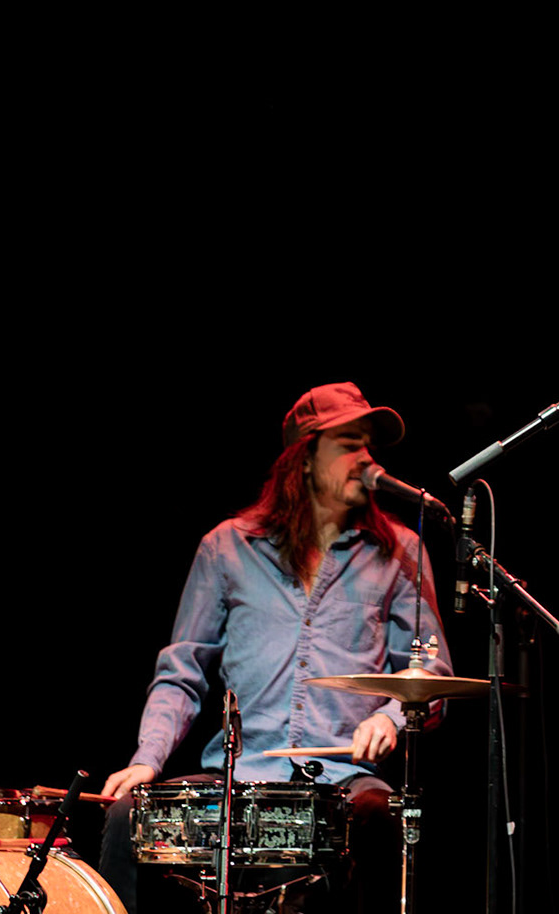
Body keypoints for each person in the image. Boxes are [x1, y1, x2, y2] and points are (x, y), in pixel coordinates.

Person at [99, 381, 453, 912]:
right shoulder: (227, 547)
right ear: (304, 460)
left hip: (344, 782)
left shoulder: (401, 551)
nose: (366, 458)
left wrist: (392, 715)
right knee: (128, 814)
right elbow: (182, 668)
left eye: (368, 445)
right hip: (237, 774)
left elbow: (431, 670)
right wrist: (148, 757)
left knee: (381, 819)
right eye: (349, 443)